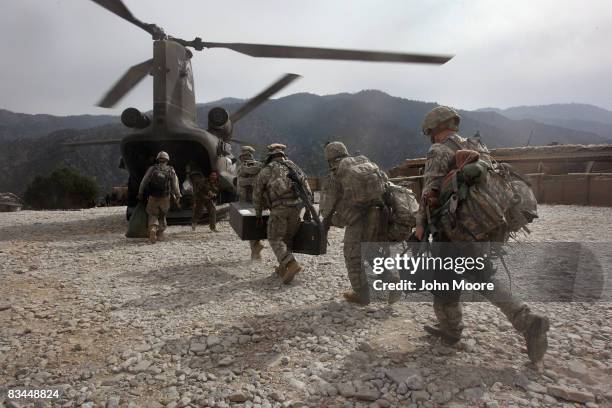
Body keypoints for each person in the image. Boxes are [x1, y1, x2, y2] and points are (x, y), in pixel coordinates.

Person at [416, 106, 550, 364]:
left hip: (454, 230)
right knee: (476, 275)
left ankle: (526, 323)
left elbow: (429, 193)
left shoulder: (438, 150)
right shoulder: (474, 146)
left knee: (447, 280)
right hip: (481, 227)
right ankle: (453, 329)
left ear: (432, 129)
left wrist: (420, 226)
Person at [320, 141, 401, 306]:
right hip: (380, 214)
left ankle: (361, 294)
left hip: (358, 219)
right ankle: (393, 282)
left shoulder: (337, 173)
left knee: (353, 256)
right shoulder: (366, 163)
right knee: (372, 252)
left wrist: (328, 222)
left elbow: (327, 207)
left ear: (329, 159)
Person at [253, 143, 311, 284]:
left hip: (279, 209)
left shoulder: (267, 170)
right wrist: (307, 210)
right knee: (287, 238)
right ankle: (282, 268)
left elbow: (257, 193)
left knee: (275, 239)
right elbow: (307, 189)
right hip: (296, 208)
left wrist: (259, 214)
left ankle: (291, 264)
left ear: (270, 155)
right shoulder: (294, 167)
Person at [138, 151, 181, 244]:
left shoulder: (152, 169)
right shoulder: (170, 170)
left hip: (153, 196)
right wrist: (178, 195)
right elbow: (175, 184)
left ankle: (153, 228)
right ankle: (160, 234)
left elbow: (144, 181)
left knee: (152, 214)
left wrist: (140, 192)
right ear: (167, 159)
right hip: (165, 197)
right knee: (162, 215)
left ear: (158, 159)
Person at [237, 146, 265, 260]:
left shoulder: (242, 167)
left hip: (246, 200)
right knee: (257, 223)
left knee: (249, 225)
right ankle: (256, 251)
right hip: (258, 199)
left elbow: (240, 182)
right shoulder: (259, 166)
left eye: (243, 156)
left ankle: (255, 248)